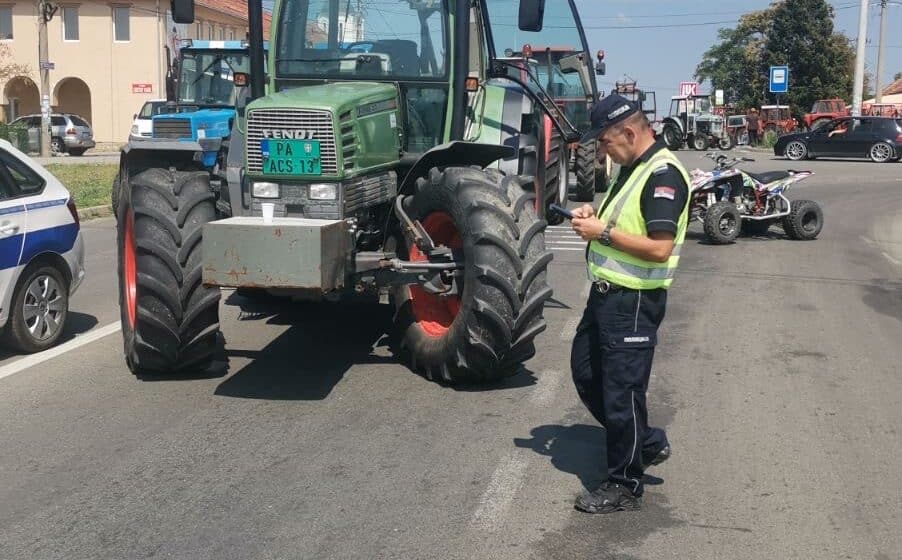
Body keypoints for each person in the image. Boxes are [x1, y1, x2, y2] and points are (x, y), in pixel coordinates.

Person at [568, 94, 690, 514]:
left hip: (634, 302)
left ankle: (624, 484)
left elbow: (659, 248)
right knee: (586, 374)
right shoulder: (631, 169)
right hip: (607, 297)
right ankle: (647, 442)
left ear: (629, 132)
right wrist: (593, 218)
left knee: (622, 394)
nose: (602, 150)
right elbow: (621, 224)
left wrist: (600, 233)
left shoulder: (663, 176)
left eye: (604, 142)